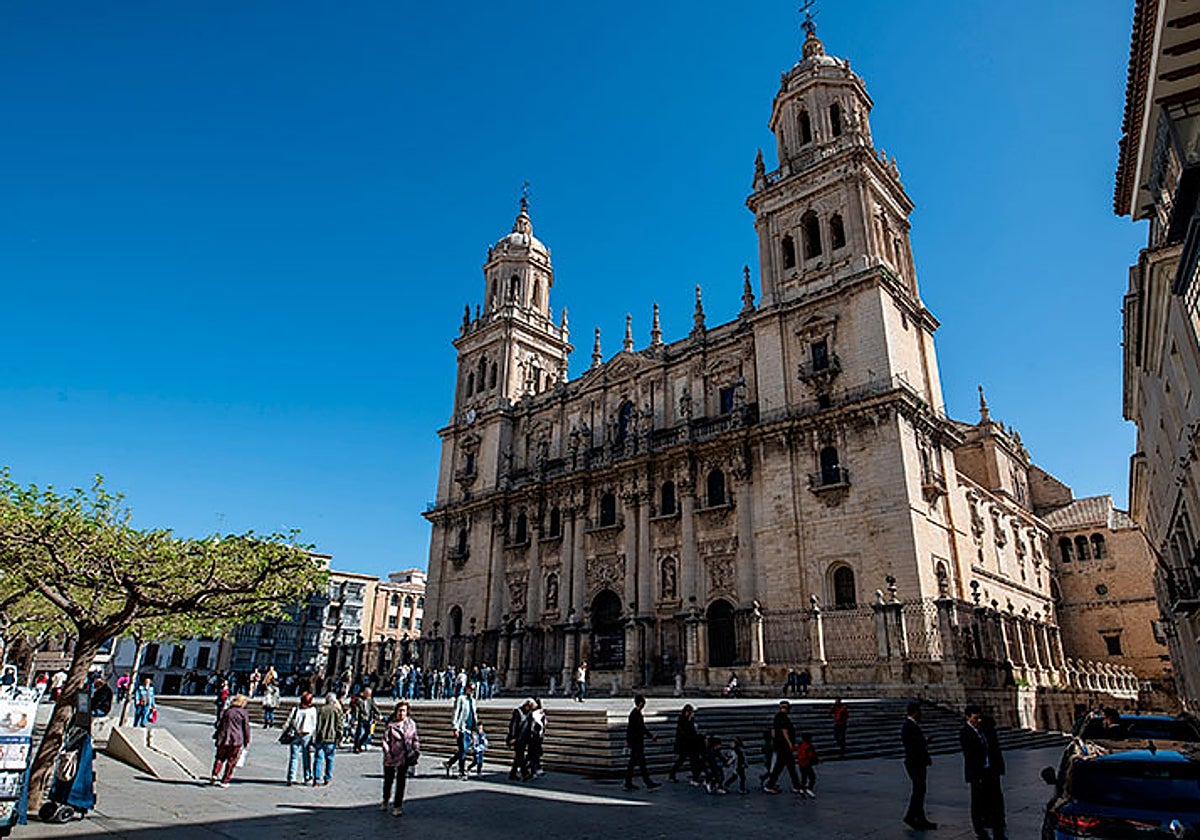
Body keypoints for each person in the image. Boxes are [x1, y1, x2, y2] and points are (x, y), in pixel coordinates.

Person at [959, 705, 1006, 840]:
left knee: (996, 801)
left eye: (979, 717)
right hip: (978, 774)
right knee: (978, 802)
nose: (978, 720)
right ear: (968, 718)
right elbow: (970, 756)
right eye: (975, 718)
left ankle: (998, 831)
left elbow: (993, 746)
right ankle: (979, 830)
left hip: (991, 771)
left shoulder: (984, 729)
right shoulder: (965, 733)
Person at [380, 701, 420, 817]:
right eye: (400, 710)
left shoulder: (411, 724)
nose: (402, 713)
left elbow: (414, 738)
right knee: (388, 781)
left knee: (401, 782)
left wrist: (416, 750)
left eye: (404, 711)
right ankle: (385, 799)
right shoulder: (391, 724)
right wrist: (387, 753)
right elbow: (385, 741)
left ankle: (397, 806)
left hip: (405, 756)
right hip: (391, 756)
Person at [901, 701, 936, 830]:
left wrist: (924, 742)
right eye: (920, 712)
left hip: (917, 762)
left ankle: (920, 818)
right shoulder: (908, 726)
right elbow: (912, 746)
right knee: (918, 790)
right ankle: (910, 816)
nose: (921, 714)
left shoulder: (912, 725)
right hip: (914, 763)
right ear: (915, 712)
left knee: (920, 790)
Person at [211, 694, 251, 787]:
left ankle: (215, 774)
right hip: (236, 739)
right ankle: (225, 781)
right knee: (231, 760)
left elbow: (218, 724)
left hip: (223, 738)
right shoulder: (243, 713)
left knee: (219, 758)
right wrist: (247, 740)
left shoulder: (226, 711)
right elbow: (246, 728)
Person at [623, 694, 660, 792]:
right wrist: (627, 741)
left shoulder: (637, 713)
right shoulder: (634, 714)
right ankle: (648, 783)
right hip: (636, 742)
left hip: (637, 741)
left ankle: (628, 783)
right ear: (640, 703)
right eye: (643, 703)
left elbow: (642, 728)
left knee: (633, 764)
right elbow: (631, 729)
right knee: (641, 764)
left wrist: (651, 736)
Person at [764, 700, 803, 794]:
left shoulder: (777, 717)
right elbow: (784, 731)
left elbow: (773, 731)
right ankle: (769, 785)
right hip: (784, 746)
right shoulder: (782, 717)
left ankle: (796, 785)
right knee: (780, 766)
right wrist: (790, 744)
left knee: (790, 766)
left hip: (780, 745)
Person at [282, 691, 317, 786]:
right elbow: (314, 724)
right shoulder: (312, 710)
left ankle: (291, 777)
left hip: (295, 734)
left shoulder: (296, 709)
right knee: (306, 756)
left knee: (294, 757)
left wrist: (284, 731)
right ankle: (307, 776)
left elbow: (289, 721)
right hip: (307, 735)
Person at [445, 682, 477, 780]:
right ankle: (461, 771)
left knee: (464, 750)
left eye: (473, 690)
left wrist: (474, 730)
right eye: (470, 689)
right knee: (463, 750)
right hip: (462, 728)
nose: (472, 691)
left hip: (469, 728)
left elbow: (474, 715)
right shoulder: (461, 699)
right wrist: (455, 727)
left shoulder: (473, 700)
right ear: (466, 688)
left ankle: (449, 763)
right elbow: (456, 712)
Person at [312, 692, 344, 786]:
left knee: (318, 759)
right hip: (331, 738)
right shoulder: (337, 711)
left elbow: (317, 725)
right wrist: (340, 737)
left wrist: (315, 737)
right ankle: (328, 778)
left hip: (321, 738)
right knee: (330, 759)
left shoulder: (321, 710)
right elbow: (339, 725)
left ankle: (316, 780)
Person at [668, 704, 702, 784]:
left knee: (692, 760)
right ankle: (672, 774)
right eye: (688, 712)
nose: (689, 714)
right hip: (684, 744)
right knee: (683, 760)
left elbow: (692, 731)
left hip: (691, 744)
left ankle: (695, 776)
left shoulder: (690, 720)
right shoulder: (682, 720)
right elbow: (684, 732)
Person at [506, 698, 534, 781]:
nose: (529, 709)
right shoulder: (518, 712)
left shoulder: (529, 713)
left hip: (524, 738)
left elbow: (529, 726)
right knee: (520, 756)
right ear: (526, 705)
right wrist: (512, 736)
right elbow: (513, 725)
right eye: (529, 707)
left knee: (518, 757)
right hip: (517, 738)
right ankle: (525, 773)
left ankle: (513, 773)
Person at [351, 687, 380, 753]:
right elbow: (357, 710)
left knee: (367, 732)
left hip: (368, 718)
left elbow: (374, 707)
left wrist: (378, 714)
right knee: (359, 733)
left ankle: (360, 744)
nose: (369, 695)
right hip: (361, 719)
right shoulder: (358, 700)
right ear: (364, 693)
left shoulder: (370, 700)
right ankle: (356, 747)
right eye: (368, 694)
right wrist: (355, 719)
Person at [794, 731, 818, 798]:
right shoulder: (808, 746)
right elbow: (810, 755)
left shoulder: (800, 745)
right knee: (812, 777)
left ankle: (802, 789)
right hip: (807, 763)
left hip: (801, 763)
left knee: (803, 777)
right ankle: (808, 789)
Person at [527, 698, 547, 778]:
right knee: (535, 754)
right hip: (539, 736)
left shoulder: (534, 714)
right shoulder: (541, 714)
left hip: (534, 737)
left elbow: (533, 725)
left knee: (533, 754)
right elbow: (544, 724)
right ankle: (536, 769)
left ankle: (534, 770)